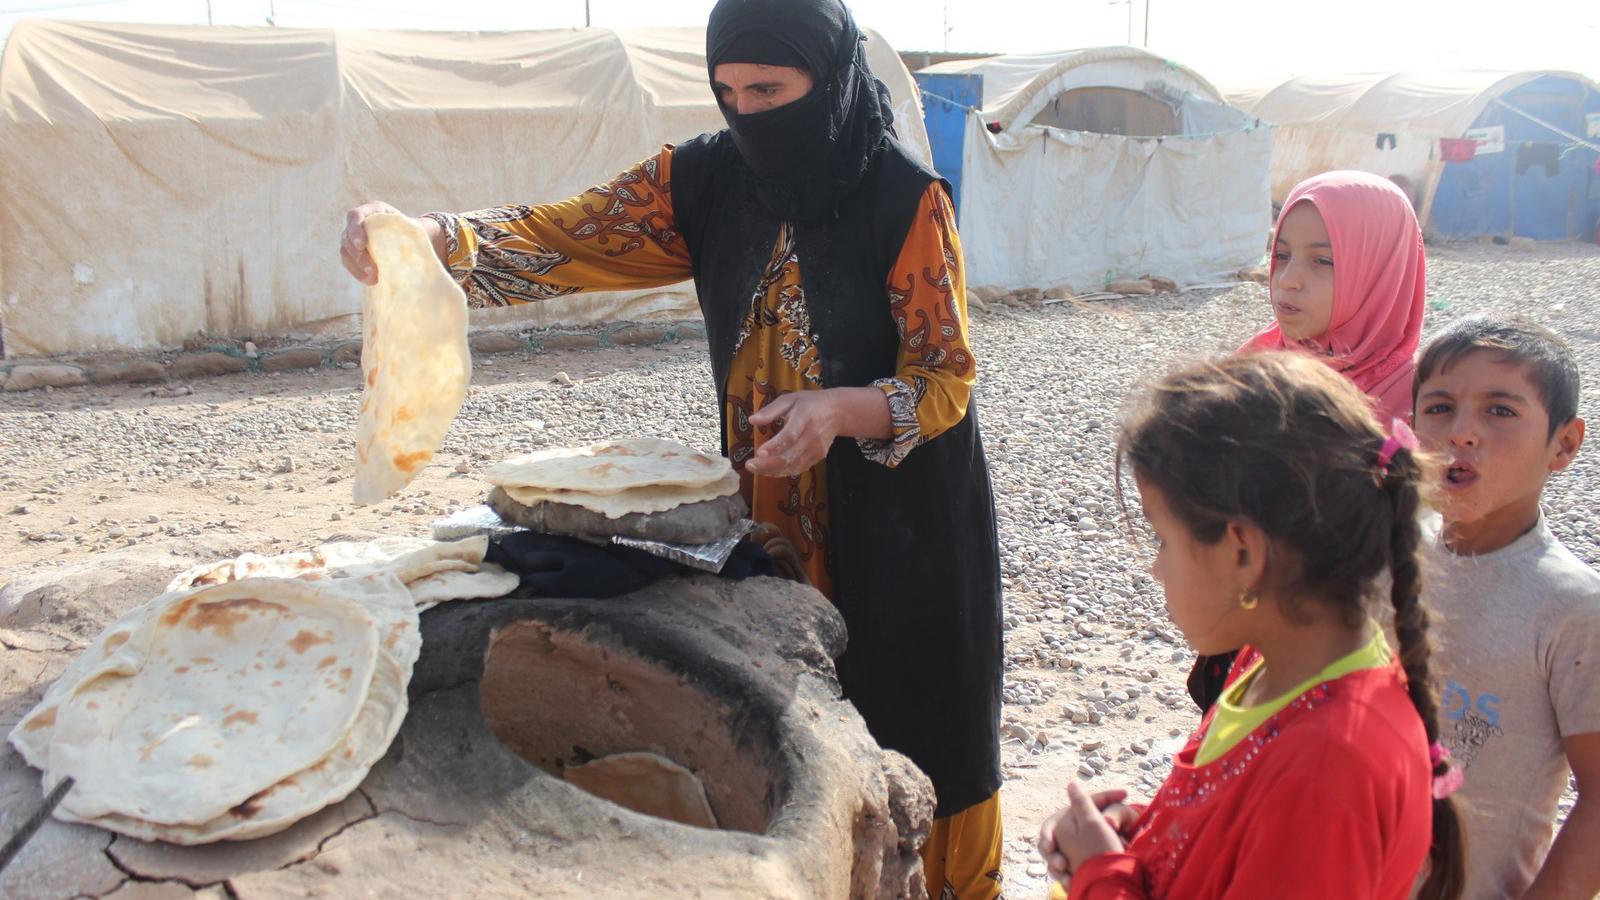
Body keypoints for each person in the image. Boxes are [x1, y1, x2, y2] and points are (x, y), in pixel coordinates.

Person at [338, 1, 1005, 895]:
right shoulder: (703, 182)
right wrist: (430, 240)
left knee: (924, 735)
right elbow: (564, 236)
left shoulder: (904, 196)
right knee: (796, 739)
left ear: (830, 72)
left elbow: (947, 375)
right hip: (771, 511)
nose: (749, 115)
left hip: (909, 534)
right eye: (728, 93)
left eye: (770, 89)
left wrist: (840, 410)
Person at [1038, 353, 1462, 900]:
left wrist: (1101, 875)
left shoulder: (1329, 770)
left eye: (1162, 540)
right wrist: (1142, 833)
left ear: (1243, 553)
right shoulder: (1271, 666)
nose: (1154, 567)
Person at [1189, 169, 1428, 711]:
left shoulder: (1419, 404)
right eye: (1282, 256)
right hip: (1243, 647)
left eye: (1323, 261)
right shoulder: (1256, 366)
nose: (1289, 281)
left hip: (1353, 674)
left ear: (1381, 271)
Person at [1411, 317, 1600, 899]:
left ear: (1564, 444)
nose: (1461, 433)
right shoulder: (1391, 554)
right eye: (1439, 408)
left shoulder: (1571, 606)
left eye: (1500, 411)